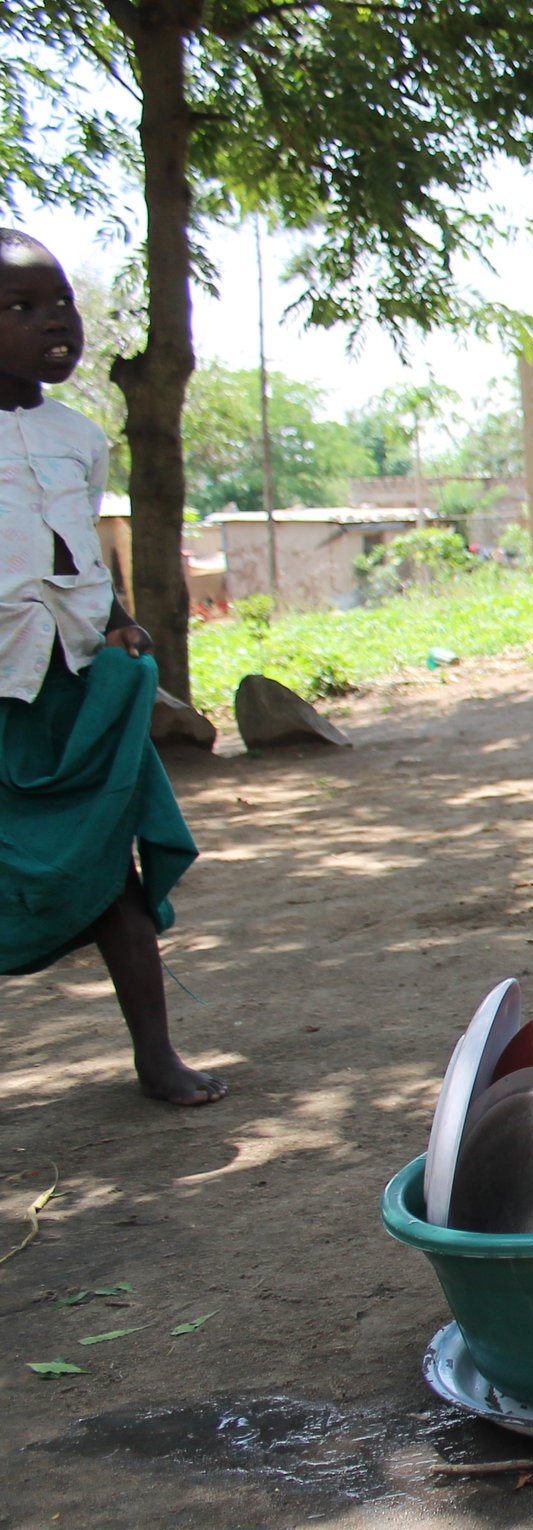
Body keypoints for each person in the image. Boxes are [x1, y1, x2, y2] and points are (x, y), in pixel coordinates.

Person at [0, 231, 222, 1104]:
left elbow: (80, 553)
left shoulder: (78, 436)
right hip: (3, 697)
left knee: (113, 883)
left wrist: (122, 621)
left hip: (78, 695)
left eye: (61, 302)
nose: (55, 320)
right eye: (23, 308)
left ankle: (155, 1056)